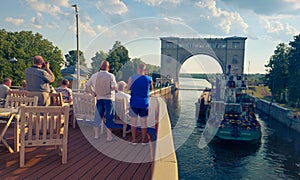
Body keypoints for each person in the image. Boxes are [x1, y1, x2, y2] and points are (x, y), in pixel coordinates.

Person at [86, 60, 117, 141]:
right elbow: (114, 87)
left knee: (97, 117)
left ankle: (96, 135)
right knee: (109, 117)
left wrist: (93, 93)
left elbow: (87, 85)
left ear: (100, 67)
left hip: (99, 99)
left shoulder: (94, 75)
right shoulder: (111, 76)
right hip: (109, 99)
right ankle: (109, 137)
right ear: (108, 67)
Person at [128, 63, 153, 145]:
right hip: (144, 104)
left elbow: (128, 88)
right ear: (145, 70)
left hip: (134, 103)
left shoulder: (131, 78)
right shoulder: (149, 79)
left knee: (133, 123)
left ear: (137, 69)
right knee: (144, 123)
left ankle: (134, 140)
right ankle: (143, 141)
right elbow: (151, 89)